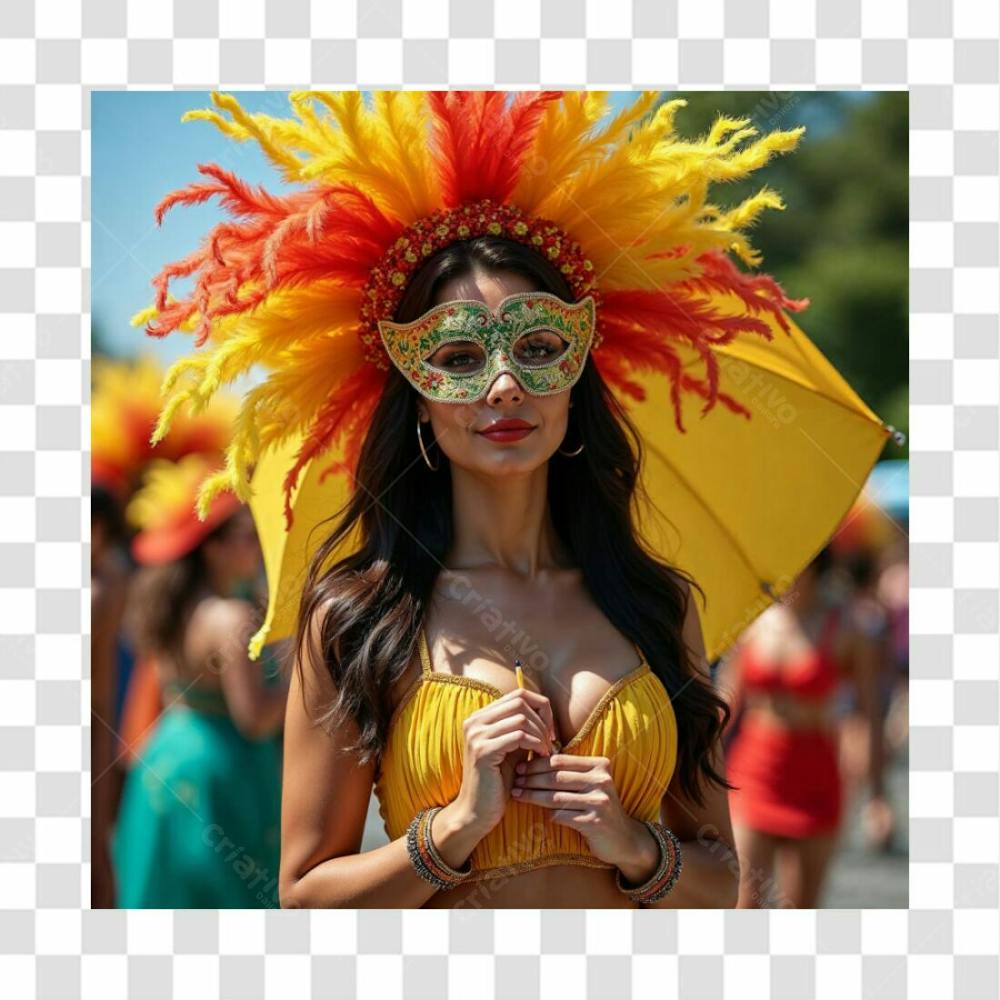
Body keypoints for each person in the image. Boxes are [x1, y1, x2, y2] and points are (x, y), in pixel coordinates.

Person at [134, 92, 870, 908]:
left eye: (540, 347)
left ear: (576, 374)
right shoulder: (357, 618)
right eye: (457, 355)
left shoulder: (657, 605)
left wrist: (633, 844)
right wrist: (451, 829)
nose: (507, 384)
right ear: (414, 394)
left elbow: (726, 886)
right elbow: (305, 900)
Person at [112, 455, 288, 908]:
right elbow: (255, 719)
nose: (258, 545)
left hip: (167, 753)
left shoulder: (175, 604)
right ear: (212, 547)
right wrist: (306, 681)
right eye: (248, 536)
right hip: (219, 771)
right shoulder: (230, 617)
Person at [717, 545, 886, 908]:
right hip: (755, 768)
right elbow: (726, 703)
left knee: (801, 906)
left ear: (814, 564)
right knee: (744, 900)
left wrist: (876, 794)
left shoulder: (846, 626)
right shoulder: (755, 622)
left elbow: (868, 715)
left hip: (816, 771)